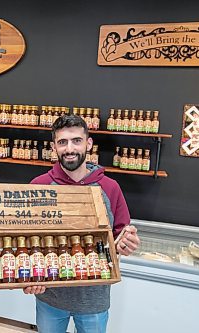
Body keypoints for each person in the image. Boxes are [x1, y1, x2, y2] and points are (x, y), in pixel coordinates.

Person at [24, 114, 141, 333]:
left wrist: (126, 243)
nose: (70, 148)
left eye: (76, 140)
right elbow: (27, 239)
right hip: (50, 296)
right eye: (62, 142)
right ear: (54, 147)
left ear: (88, 143)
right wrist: (30, 275)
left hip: (94, 298)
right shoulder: (38, 186)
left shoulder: (110, 187)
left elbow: (120, 236)